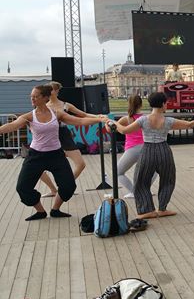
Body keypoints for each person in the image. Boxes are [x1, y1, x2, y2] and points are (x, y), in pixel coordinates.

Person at [0, 85, 105, 221]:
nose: (32, 99)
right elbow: (12, 126)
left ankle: (55, 210)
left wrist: (99, 119)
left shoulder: (57, 114)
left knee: (69, 186)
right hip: (36, 155)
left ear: (45, 98)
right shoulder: (29, 116)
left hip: (56, 155)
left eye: (36, 96)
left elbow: (79, 120)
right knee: (22, 188)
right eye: (31, 96)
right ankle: (40, 211)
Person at [111, 92, 194, 219]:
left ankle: (146, 210)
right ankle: (162, 208)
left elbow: (124, 130)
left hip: (147, 150)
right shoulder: (168, 121)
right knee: (168, 179)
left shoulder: (143, 120)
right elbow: (190, 124)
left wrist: (113, 123)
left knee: (140, 180)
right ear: (163, 104)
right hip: (164, 150)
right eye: (166, 103)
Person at [38, 81, 103, 196]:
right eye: (47, 90)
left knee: (81, 164)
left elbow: (83, 115)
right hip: (50, 137)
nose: (48, 91)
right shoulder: (44, 107)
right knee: (37, 168)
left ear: (57, 91)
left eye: (51, 89)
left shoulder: (65, 105)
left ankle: (66, 186)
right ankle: (53, 190)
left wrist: (98, 117)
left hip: (64, 136)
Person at [114, 95, 157, 199]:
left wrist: (108, 122)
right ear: (141, 104)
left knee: (118, 172)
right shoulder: (146, 118)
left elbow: (112, 128)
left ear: (129, 104)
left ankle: (134, 191)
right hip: (146, 147)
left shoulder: (126, 119)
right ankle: (145, 190)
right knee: (155, 170)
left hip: (132, 149)